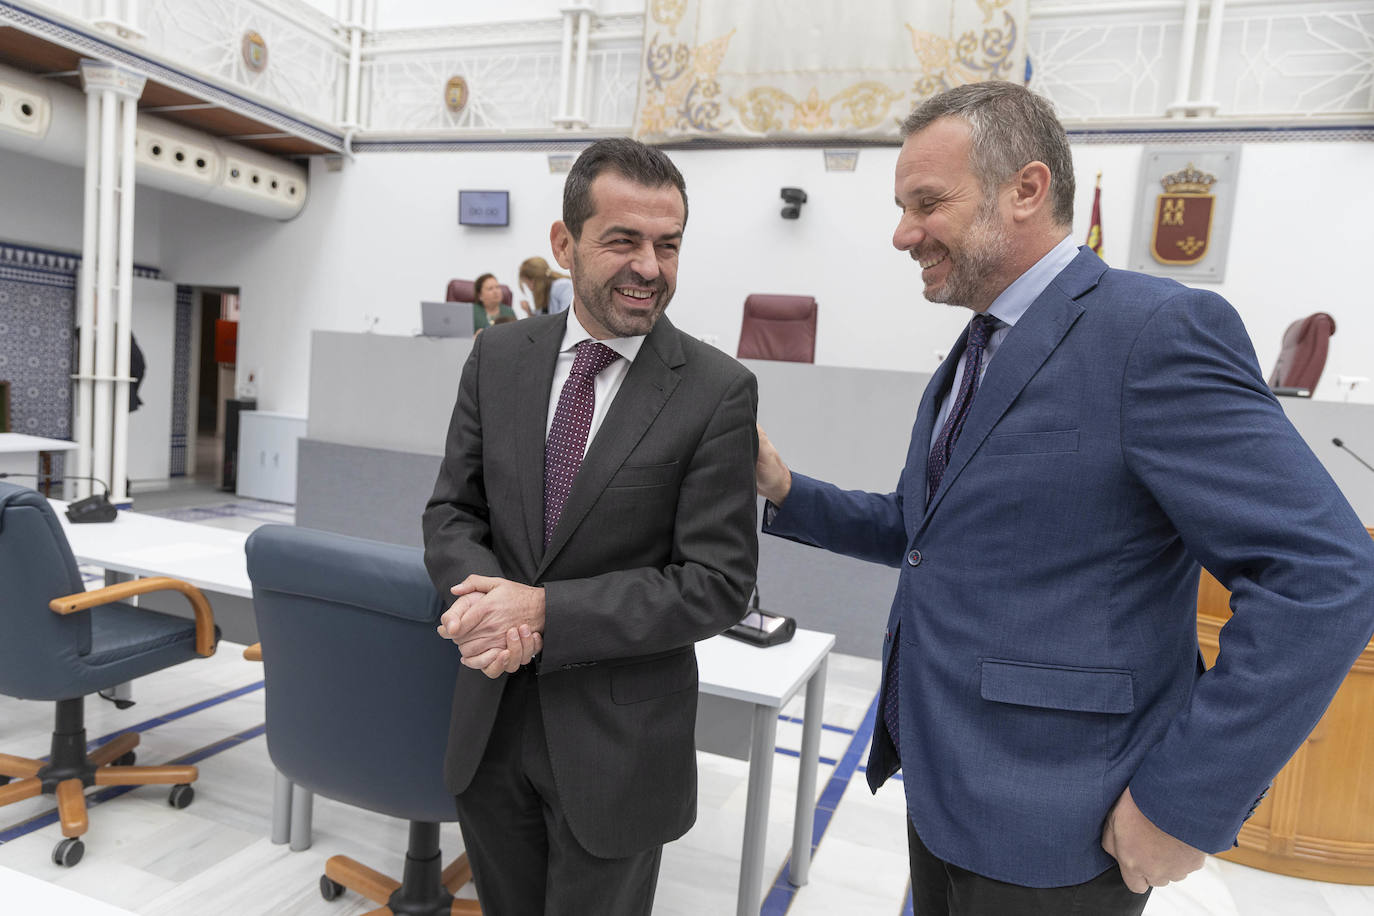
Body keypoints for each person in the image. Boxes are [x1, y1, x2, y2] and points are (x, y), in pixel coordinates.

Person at [755, 81, 1374, 915]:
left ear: (1026, 189)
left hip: (1064, 820)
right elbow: (921, 531)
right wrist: (784, 489)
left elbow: (1326, 578)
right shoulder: (973, 355)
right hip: (945, 785)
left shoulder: (1153, 333)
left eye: (927, 204)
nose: (903, 234)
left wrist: (1182, 805)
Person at [423, 137, 759, 915]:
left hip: (619, 750)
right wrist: (479, 604)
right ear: (564, 244)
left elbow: (717, 586)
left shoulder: (716, 392)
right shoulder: (497, 357)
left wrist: (540, 611)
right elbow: (453, 511)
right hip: (492, 721)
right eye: (624, 241)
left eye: (668, 244)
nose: (650, 265)